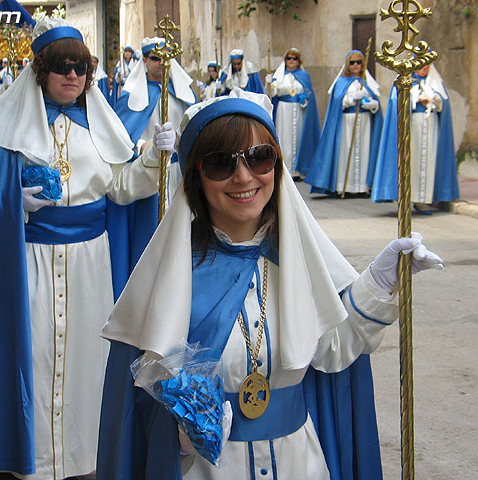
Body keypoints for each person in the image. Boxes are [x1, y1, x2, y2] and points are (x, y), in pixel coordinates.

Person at [97, 88, 444, 479]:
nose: (244, 177)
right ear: (196, 176)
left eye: (259, 158)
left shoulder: (297, 263)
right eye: (220, 164)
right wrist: (179, 441)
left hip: (299, 463)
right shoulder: (172, 280)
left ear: (276, 166)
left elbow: (332, 351)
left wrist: (379, 283)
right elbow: (138, 416)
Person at [0, 17, 174, 479]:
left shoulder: (102, 126)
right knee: (31, 359)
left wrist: (155, 155)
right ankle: (30, 460)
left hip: (91, 264)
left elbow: (122, 187)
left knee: (86, 365)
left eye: (80, 68)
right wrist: (10, 200)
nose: (71, 76)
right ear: (41, 71)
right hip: (27, 262)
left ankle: (82, 460)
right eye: (61, 67)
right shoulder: (6, 124)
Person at [114, 36, 196, 266]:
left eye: (166, 58)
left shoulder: (183, 94)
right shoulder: (131, 96)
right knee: (151, 232)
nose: (162, 63)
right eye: (156, 58)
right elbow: (122, 136)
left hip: (179, 170)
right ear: (145, 61)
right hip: (148, 170)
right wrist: (143, 145)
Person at [372, 62, 459, 213]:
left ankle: (422, 200)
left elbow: (443, 104)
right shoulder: (404, 81)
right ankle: (405, 198)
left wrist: (437, 100)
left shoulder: (435, 82)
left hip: (430, 126)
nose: (424, 69)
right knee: (411, 161)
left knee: (427, 162)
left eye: (427, 66)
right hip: (411, 127)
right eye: (421, 65)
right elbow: (396, 102)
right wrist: (416, 100)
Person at [305, 50, 383, 195]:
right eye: (352, 63)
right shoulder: (341, 82)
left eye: (358, 62)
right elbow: (337, 103)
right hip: (347, 122)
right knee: (346, 153)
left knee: (364, 153)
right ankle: (345, 187)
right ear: (347, 65)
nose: (355, 65)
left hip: (365, 122)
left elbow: (376, 104)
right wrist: (352, 99)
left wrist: (372, 105)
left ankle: (362, 187)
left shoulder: (368, 82)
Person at [266, 47, 320, 179]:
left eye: (294, 58)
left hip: (299, 110)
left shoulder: (304, 75)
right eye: (289, 58)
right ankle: (286, 169)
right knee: (284, 137)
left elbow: (309, 94)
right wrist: (269, 84)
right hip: (284, 109)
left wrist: (305, 100)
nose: (291, 61)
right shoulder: (279, 76)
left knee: (299, 137)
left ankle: (298, 170)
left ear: (299, 61)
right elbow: (272, 94)